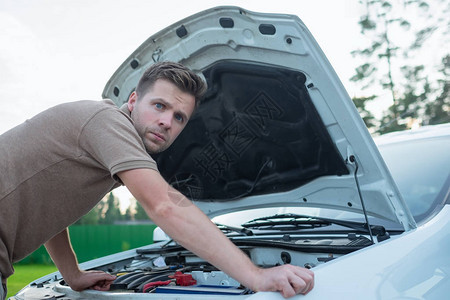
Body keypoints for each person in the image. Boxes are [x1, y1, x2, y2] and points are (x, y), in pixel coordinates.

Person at [0, 61, 314, 299]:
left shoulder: (103, 144)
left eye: (179, 117)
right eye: (159, 106)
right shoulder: (107, 122)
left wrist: (72, 274)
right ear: (134, 101)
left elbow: (55, 207)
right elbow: (165, 206)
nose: (166, 122)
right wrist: (256, 277)